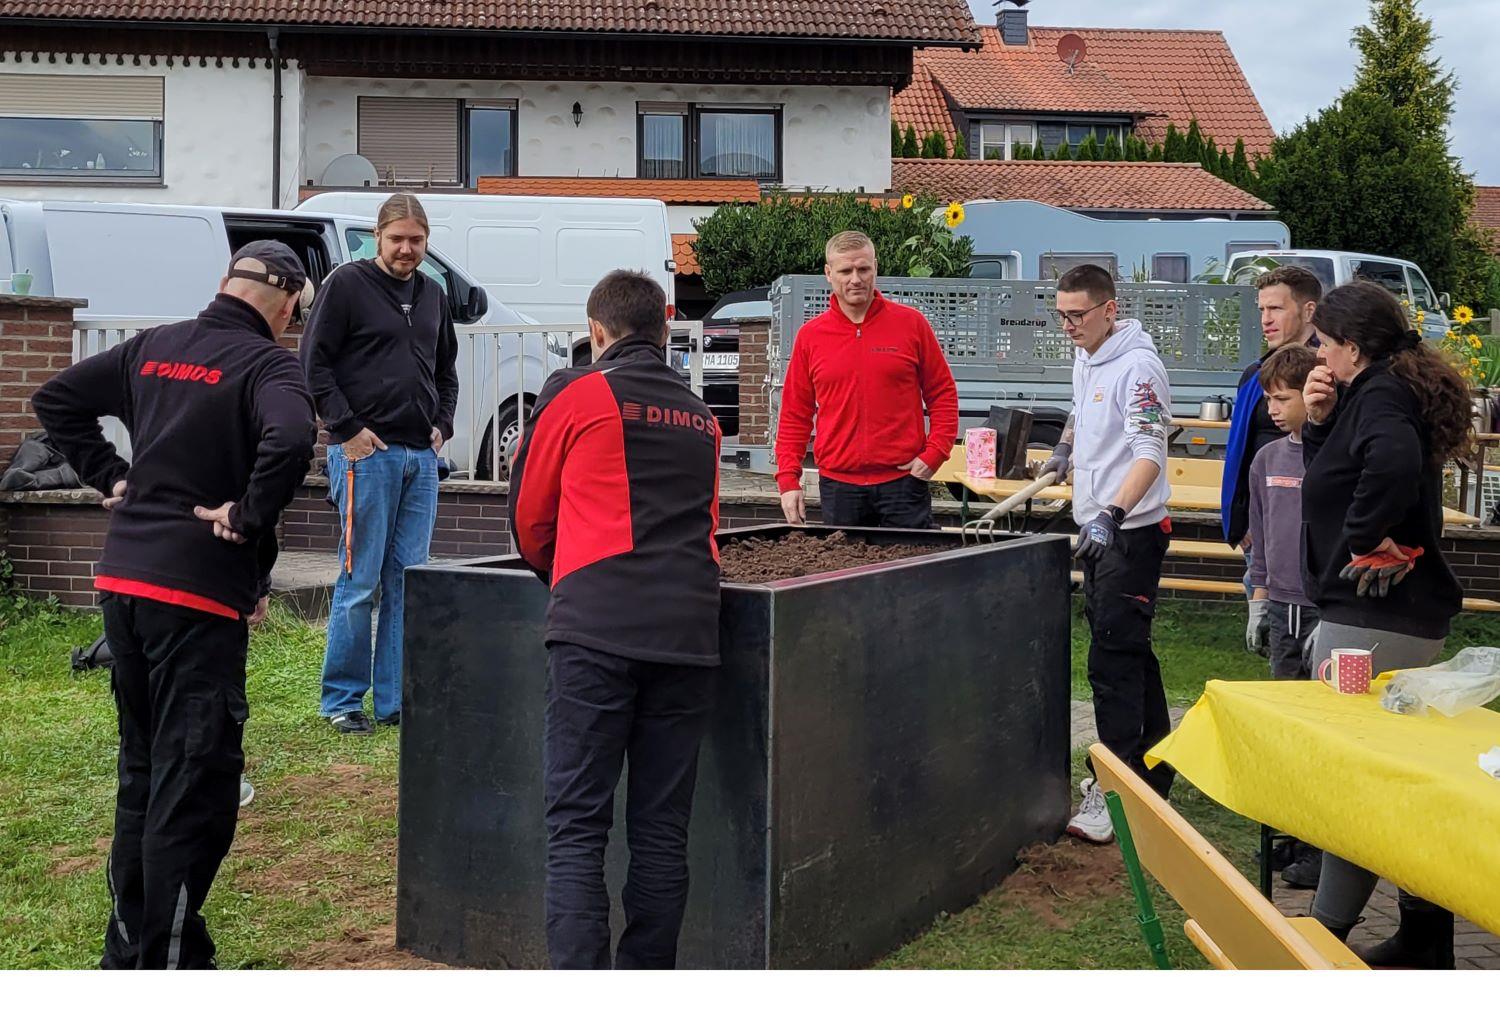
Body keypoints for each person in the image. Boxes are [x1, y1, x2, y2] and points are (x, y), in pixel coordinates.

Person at [31, 242, 317, 969]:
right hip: (193, 595)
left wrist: (112, 477)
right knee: (194, 783)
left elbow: (56, 400)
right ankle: (164, 964)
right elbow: (290, 438)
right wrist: (247, 518)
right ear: (287, 306)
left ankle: (133, 952)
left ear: (225, 285)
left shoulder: (154, 348)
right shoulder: (270, 365)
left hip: (123, 584)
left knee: (145, 770)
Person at [509, 270, 721, 969]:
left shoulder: (579, 394)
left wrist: (564, 578)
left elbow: (532, 517)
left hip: (596, 626)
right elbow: (710, 530)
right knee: (662, 830)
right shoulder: (702, 418)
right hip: (689, 633)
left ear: (597, 334)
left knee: (576, 827)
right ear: (665, 329)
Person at [1300, 281, 1470, 968]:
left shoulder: (1379, 397)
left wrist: (1364, 540)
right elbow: (1337, 480)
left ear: (1352, 345)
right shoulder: (1373, 395)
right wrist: (1316, 423)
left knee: (1355, 782)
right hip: (1384, 617)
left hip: (1373, 619)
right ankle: (1423, 937)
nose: (1315, 353)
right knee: (1389, 782)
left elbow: (1391, 464)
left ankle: (1321, 940)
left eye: (1321, 342)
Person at [302, 193, 457, 735]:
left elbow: (446, 372)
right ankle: (343, 700)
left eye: (416, 240)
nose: (406, 250)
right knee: (359, 581)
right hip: (366, 457)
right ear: (377, 237)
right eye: (397, 240)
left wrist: (444, 426)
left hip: (420, 458)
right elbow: (313, 364)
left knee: (406, 581)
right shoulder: (346, 285)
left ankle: (393, 702)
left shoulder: (434, 296)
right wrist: (347, 430)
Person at [1039, 265, 1174, 845]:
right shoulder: (1088, 354)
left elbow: (1150, 452)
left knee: (1112, 663)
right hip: (1098, 531)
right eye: (1061, 314)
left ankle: (1113, 791)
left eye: (1078, 314)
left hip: (1129, 534)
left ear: (1109, 309)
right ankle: (1156, 770)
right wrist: (1063, 452)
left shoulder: (1139, 368)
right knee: (1131, 654)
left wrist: (1111, 515)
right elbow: (1081, 409)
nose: (1067, 324)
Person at [775, 230, 958, 528]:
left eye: (863, 269)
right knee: (848, 575)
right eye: (846, 270)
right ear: (828, 273)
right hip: (839, 488)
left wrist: (936, 452)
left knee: (910, 574)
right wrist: (788, 479)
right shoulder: (811, 337)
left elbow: (943, 393)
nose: (855, 279)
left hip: (904, 483)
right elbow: (795, 413)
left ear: (876, 267)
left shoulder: (911, 324)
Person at [1244, 343, 1324, 889]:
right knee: (1286, 728)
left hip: (1323, 609)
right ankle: (1291, 838)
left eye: (1283, 397)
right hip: (1281, 607)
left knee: (1320, 732)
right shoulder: (1267, 460)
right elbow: (1260, 537)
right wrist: (1258, 599)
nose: (1274, 409)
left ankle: (1321, 846)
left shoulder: (1328, 457)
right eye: (1269, 399)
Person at [1224, 266, 1323, 608]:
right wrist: (1239, 520)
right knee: (1274, 635)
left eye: (1276, 309)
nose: (1266, 319)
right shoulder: (1255, 374)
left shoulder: (1328, 373)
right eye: (1262, 309)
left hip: (1312, 526)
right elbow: (1239, 450)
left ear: (1308, 310)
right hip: (1262, 527)